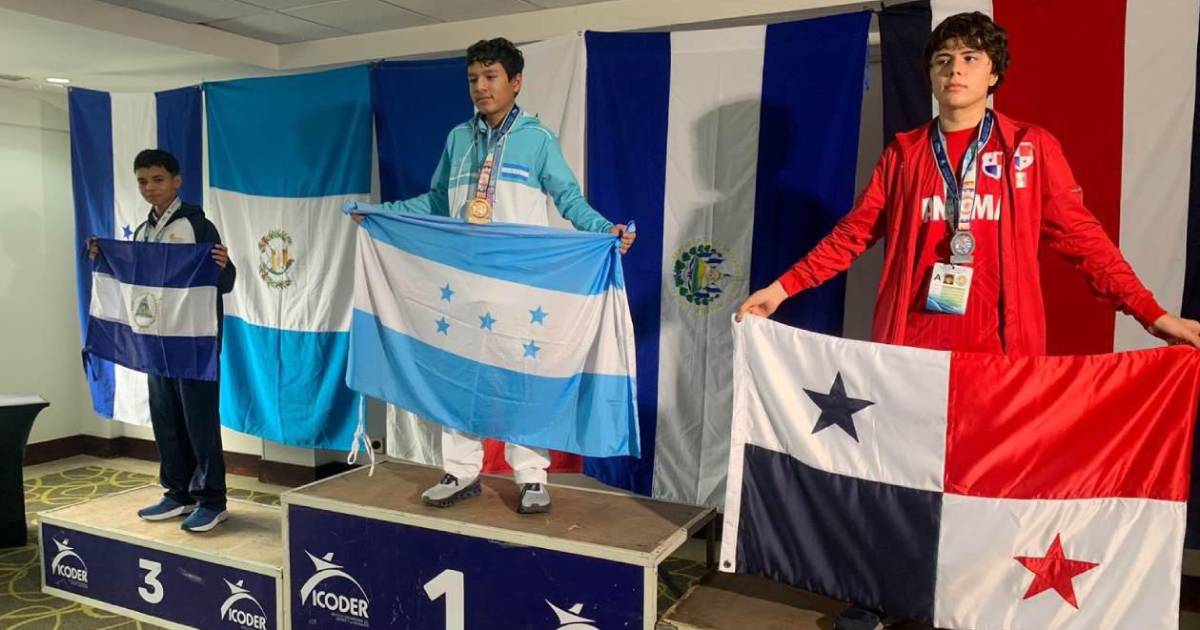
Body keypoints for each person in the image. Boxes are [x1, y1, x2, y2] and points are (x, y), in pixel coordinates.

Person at [736, 11, 1200, 630]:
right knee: (896, 480)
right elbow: (854, 234)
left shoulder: (1030, 149)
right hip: (911, 356)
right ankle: (881, 594)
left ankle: (976, 601)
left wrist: (1152, 312)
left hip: (1000, 360)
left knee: (994, 486)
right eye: (944, 60)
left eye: (971, 59)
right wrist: (782, 288)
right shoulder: (905, 153)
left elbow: (1083, 240)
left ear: (994, 74)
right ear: (930, 74)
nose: (956, 70)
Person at [346, 37, 635, 515]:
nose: (480, 87)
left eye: (490, 77)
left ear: (515, 82)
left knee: (523, 377)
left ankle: (531, 475)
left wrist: (605, 230)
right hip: (462, 283)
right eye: (473, 79)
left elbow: (568, 198)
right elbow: (436, 201)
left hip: (520, 287)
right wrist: (382, 213)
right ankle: (461, 471)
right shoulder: (458, 139)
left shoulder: (537, 139)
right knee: (457, 373)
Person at [90, 149, 237, 532]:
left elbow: (225, 281)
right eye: (142, 181)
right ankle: (178, 492)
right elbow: (132, 279)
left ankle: (212, 499)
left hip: (193, 342)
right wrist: (103, 255)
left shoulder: (197, 226)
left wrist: (225, 268)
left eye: (158, 179)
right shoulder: (143, 231)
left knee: (199, 421)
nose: (150, 188)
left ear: (176, 181)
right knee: (166, 419)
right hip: (155, 342)